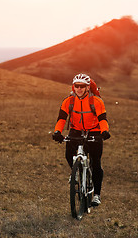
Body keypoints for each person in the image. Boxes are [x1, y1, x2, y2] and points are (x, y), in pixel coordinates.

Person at [52, 73, 111, 206]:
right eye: (76, 86)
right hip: (76, 130)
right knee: (68, 155)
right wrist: (57, 132)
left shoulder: (96, 101)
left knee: (96, 163)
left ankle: (96, 195)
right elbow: (62, 118)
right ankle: (76, 173)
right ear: (73, 87)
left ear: (88, 87)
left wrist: (104, 131)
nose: (79, 89)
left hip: (94, 131)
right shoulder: (69, 101)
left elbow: (102, 119)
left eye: (82, 86)